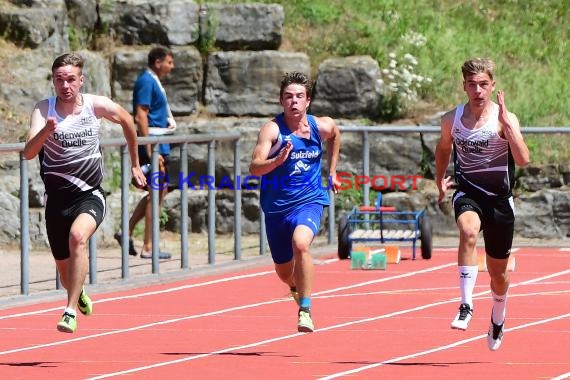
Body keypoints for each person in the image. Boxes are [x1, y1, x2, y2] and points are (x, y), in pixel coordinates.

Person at [23, 53, 147, 333]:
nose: (65, 85)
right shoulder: (44, 110)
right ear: (53, 81)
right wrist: (46, 131)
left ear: (81, 80)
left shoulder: (95, 105)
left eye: (70, 79)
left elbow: (128, 121)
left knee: (77, 238)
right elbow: (29, 153)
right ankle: (76, 293)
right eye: (59, 80)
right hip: (56, 201)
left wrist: (136, 164)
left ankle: (68, 311)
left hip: (89, 194)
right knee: (65, 273)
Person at [435, 58, 530, 351]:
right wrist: (439, 179)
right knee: (468, 231)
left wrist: (507, 126)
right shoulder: (452, 119)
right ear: (464, 86)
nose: (478, 90)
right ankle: (465, 304)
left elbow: (524, 159)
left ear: (492, 86)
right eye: (472, 85)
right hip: (469, 193)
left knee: (498, 276)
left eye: (483, 84)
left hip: (499, 201)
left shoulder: (505, 119)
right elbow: (443, 148)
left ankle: (498, 316)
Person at [249, 71, 341, 333]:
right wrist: (275, 162)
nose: (294, 102)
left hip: (309, 201)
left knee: (301, 244)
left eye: (299, 96)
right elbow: (255, 167)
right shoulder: (272, 129)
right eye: (288, 97)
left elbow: (335, 135)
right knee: (283, 272)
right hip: (276, 208)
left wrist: (332, 172)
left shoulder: (319, 126)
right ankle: (294, 286)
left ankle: (306, 310)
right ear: (281, 101)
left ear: (308, 101)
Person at [114, 45, 176, 259]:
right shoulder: (146, 81)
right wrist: (150, 151)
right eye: (169, 62)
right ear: (157, 62)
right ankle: (148, 246)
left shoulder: (153, 81)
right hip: (153, 145)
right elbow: (141, 115)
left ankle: (127, 230)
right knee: (157, 191)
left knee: (159, 191)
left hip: (159, 143)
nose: (172, 66)